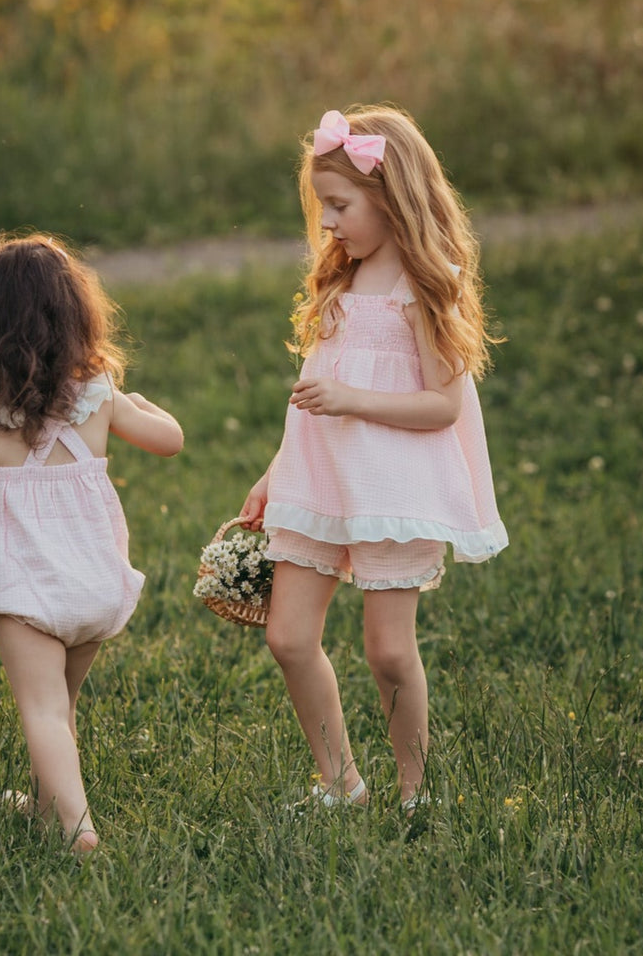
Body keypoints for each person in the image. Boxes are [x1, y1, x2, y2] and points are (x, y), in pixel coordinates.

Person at [240, 106, 508, 812]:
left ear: (390, 198)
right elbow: (312, 403)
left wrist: (351, 398)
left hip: (394, 484)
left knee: (388, 652)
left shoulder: (422, 290)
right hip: (320, 477)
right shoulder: (339, 285)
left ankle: (416, 793)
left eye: (339, 205)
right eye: (321, 207)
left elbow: (442, 408)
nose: (326, 223)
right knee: (289, 637)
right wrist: (276, 473)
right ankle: (342, 782)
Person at [0, 233, 183, 852]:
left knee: (40, 711)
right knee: (60, 707)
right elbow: (171, 439)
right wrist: (137, 402)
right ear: (75, 319)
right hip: (93, 582)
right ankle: (49, 806)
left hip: (25, 589)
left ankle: (76, 829)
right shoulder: (99, 400)